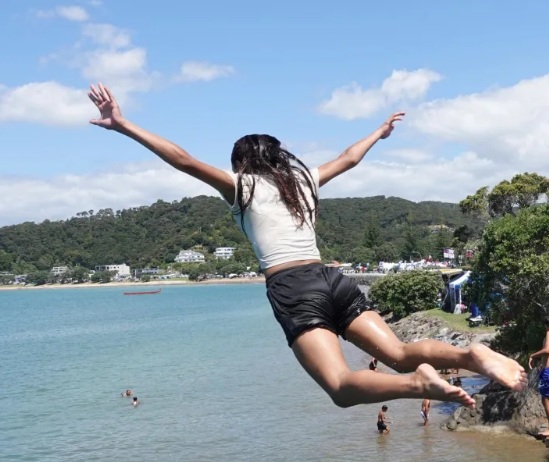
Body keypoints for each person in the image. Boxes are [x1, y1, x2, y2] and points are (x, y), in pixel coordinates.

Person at [86, 83, 526, 411]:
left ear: (242, 162)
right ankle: (471, 355)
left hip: (294, 289)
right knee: (399, 354)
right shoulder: (304, 180)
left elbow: (182, 159)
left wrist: (123, 125)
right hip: (333, 279)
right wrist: (379, 131)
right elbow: (350, 157)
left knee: (339, 387)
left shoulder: (243, 186)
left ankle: (419, 386)